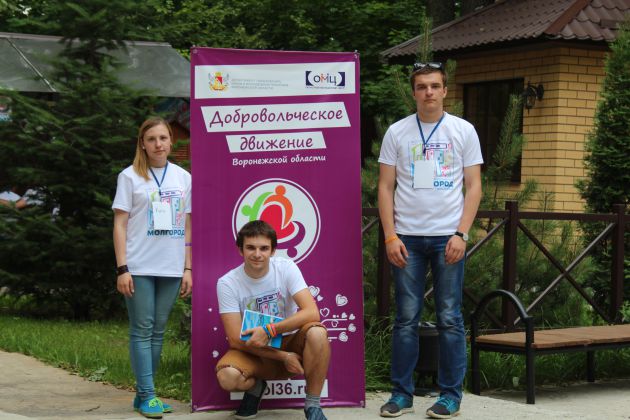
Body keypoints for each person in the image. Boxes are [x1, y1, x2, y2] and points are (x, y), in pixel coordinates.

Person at [377, 62, 483, 419]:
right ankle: (401, 394)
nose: (429, 92)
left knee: (450, 317)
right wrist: (390, 235)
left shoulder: (463, 130)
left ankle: (450, 396)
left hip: (448, 238)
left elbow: (474, 186)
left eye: (435, 86)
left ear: (445, 90)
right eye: (422, 86)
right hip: (406, 237)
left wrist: (461, 233)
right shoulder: (397, 132)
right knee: (406, 318)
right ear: (414, 92)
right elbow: (385, 187)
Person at [112, 116, 192, 419]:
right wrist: (123, 268)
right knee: (142, 329)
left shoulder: (183, 178)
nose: (158, 144)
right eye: (151, 139)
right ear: (142, 144)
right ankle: (148, 394)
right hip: (139, 265)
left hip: (171, 266)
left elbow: (188, 226)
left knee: (158, 331)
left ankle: (144, 394)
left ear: (171, 141)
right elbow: (120, 225)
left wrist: (188, 269)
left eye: (163, 138)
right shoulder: (129, 177)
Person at [215, 220, 330, 420]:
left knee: (318, 333)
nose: (257, 254)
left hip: (290, 341)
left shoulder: (286, 268)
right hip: (253, 349)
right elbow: (234, 339)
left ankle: (313, 405)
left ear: (273, 250)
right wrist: (283, 357)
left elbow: (312, 312)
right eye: (250, 247)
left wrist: (270, 330)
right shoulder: (227, 283)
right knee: (227, 377)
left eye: (264, 248)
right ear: (240, 250)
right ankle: (256, 387)